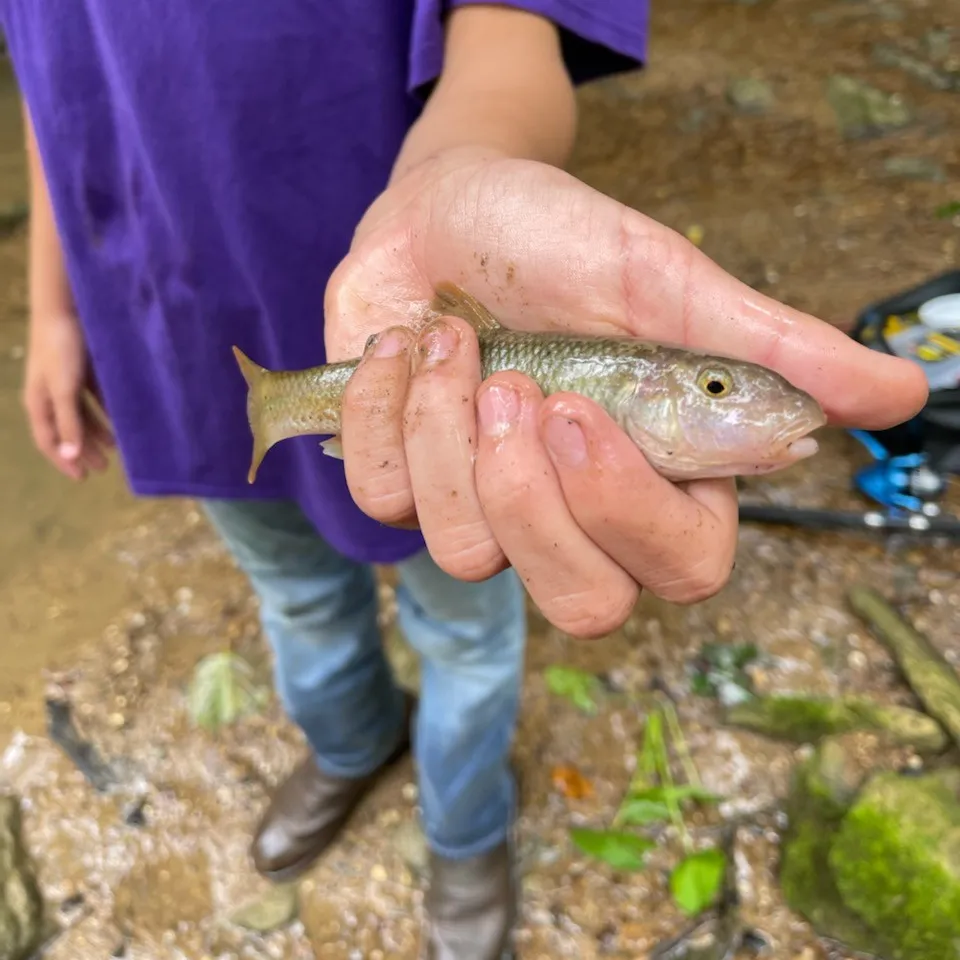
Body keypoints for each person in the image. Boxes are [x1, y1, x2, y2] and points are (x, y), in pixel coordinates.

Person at [6, 1, 926, 957]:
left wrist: (458, 167)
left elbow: (515, 32)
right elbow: (52, 88)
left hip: (408, 316)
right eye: (718, 388)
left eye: (714, 386)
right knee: (294, 595)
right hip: (166, 321)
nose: (731, 398)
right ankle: (350, 746)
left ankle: (465, 831)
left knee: (468, 629)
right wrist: (55, 310)